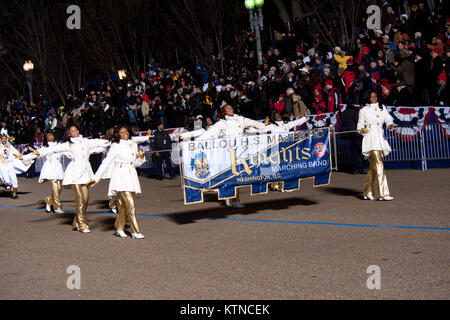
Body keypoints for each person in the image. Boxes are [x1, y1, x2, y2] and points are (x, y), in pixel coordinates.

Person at [35, 125, 110, 233]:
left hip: (85, 173)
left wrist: (110, 142)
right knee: (79, 200)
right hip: (74, 174)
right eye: (72, 131)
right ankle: (83, 225)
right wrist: (36, 153)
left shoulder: (86, 141)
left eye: (76, 130)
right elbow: (53, 149)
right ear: (69, 134)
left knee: (85, 200)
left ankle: (76, 222)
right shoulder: (68, 145)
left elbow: (99, 143)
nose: (75, 132)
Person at [197, 104, 267, 208]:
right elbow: (209, 134)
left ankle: (234, 199)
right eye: (227, 109)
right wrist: (195, 142)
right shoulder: (222, 123)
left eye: (231, 108)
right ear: (224, 112)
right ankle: (231, 199)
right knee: (230, 176)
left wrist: (263, 125)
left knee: (237, 176)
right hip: (228, 153)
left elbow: (255, 123)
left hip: (240, 152)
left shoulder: (241, 119)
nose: (230, 109)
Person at [93, 126, 148, 239]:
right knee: (131, 205)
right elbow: (106, 163)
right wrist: (96, 178)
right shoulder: (115, 146)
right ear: (118, 134)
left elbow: (134, 164)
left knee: (124, 207)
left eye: (126, 131)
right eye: (122, 132)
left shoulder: (133, 144)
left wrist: (141, 159)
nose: (125, 133)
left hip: (131, 177)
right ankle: (135, 231)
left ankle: (119, 227)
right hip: (121, 177)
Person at [357, 90, 395, 201]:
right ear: (367, 98)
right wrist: (362, 130)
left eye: (376, 96)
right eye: (372, 97)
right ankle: (384, 193)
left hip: (380, 138)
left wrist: (390, 124)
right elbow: (359, 125)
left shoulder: (382, 107)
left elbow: (388, 118)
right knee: (379, 164)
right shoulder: (363, 110)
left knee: (373, 168)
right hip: (370, 139)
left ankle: (367, 191)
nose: (374, 99)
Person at [0, 133, 35, 198]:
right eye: (2, 139)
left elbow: (17, 153)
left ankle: (14, 194)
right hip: (2, 166)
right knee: (7, 180)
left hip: (10, 165)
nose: (4, 140)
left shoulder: (9, 146)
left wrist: (25, 159)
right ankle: (11, 187)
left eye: (5, 138)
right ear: (0, 139)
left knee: (14, 179)